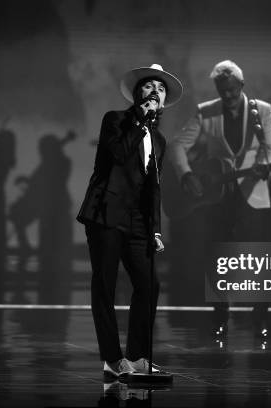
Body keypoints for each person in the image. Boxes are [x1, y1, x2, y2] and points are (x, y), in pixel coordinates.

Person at [77, 64, 183, 379]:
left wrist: (156, 228)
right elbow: (120, 154)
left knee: (149, 284)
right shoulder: (115, 120)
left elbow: (154, 186)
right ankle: (112, 359)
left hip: (138, 221)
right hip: (106, 213)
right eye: (149, 87)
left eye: (161, 89)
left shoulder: (160, 140)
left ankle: (137, 357)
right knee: (105, 285)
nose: (155, 92)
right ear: (138, 94)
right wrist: (140, 121)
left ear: (165, 101)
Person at [168, 60, 271, 338]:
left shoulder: (261, 111)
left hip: (253, 194)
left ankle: (260, 319)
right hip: (218, 198)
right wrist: (186, 175)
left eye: (231, 89)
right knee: (219, 259)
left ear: (241, 86)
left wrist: (265, 165)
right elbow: (178, 144)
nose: (227, 95)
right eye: (222, 90)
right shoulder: (206, 112)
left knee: (258, 261)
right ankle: (220, 318)